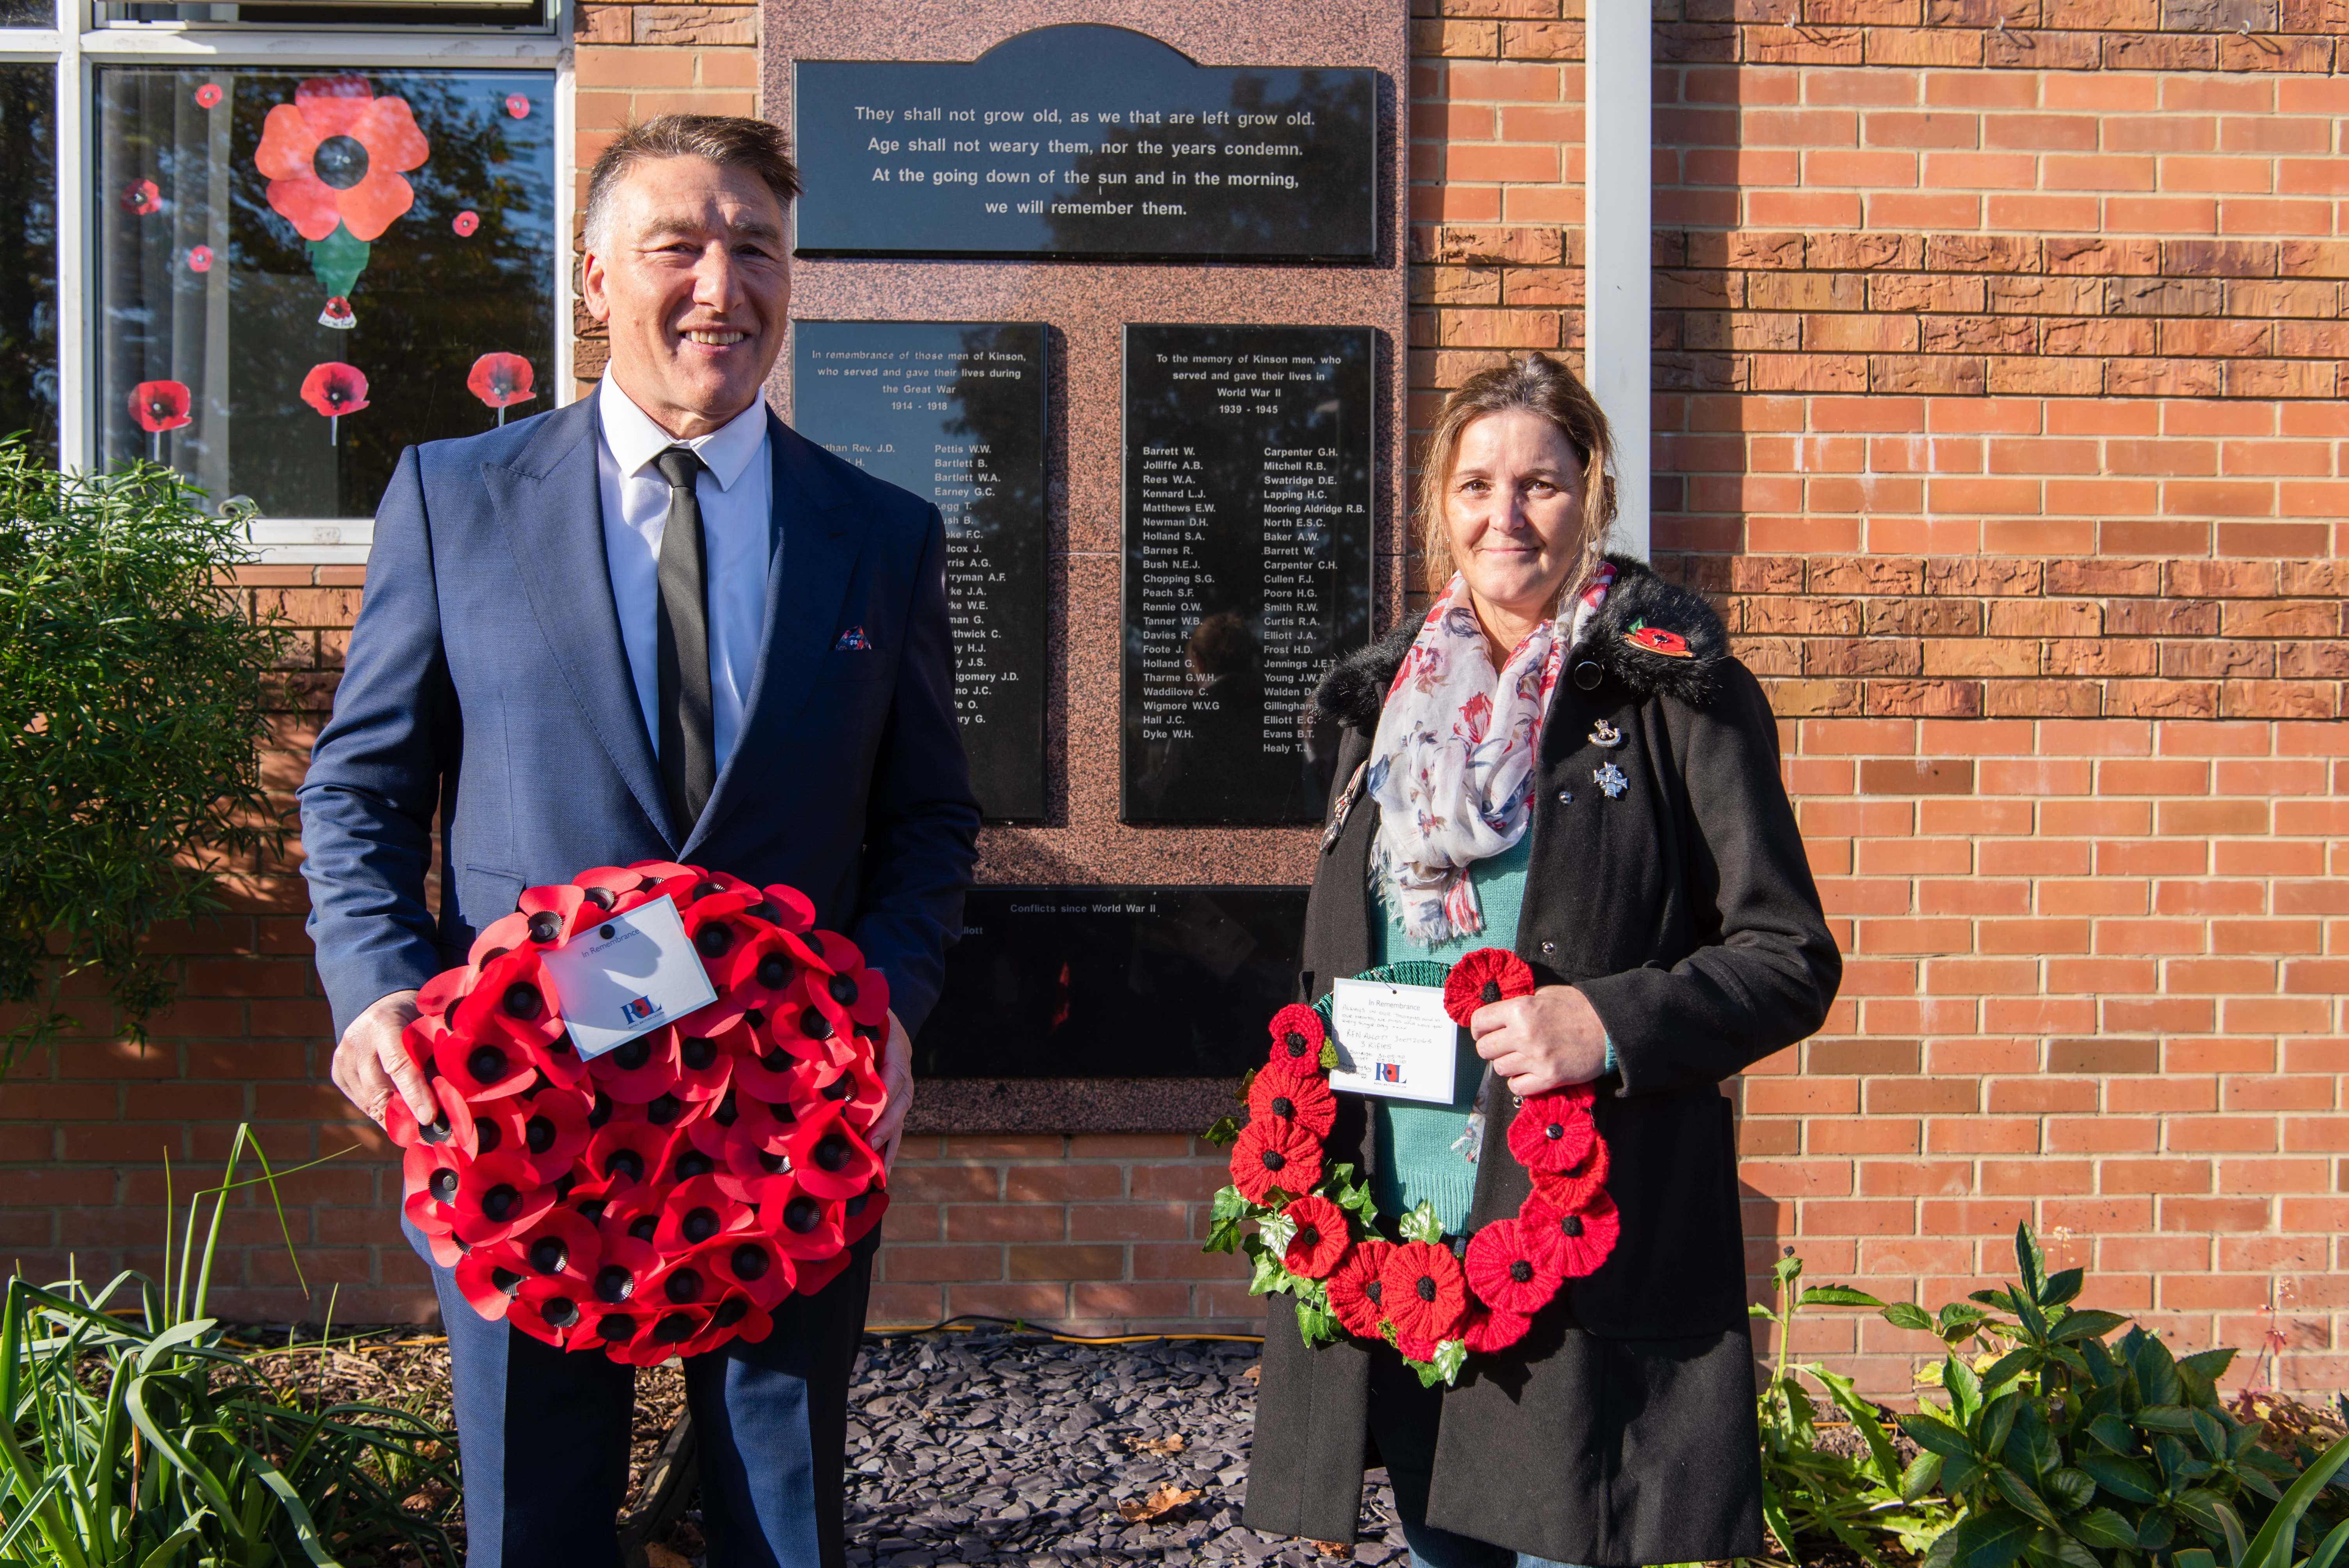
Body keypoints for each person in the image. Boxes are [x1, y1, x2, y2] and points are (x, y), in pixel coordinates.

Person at [298, 115, 980, 1568]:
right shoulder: (452, 501)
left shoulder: (882, 533)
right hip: (523, 1128)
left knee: (783, 1523)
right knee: (535, 1525)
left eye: (758, 250)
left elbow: (927, 821)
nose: (721, 286)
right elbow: (358, 789)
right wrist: (377, 994)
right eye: (680, 245)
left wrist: (889, 1007)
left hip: (783, 1133)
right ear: (596, 278)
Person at [1242, 353, 1840, 1567]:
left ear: (1593, 494)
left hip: (1577, 1254)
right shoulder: (1380, 707)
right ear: (1438, 505)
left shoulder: (1678, 692)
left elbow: (1790, 956)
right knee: (1440, 1548)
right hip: (1402, 1236)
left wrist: (1605, 1026)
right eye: (1475, 484)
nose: (1504, 515)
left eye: (1541, 484)